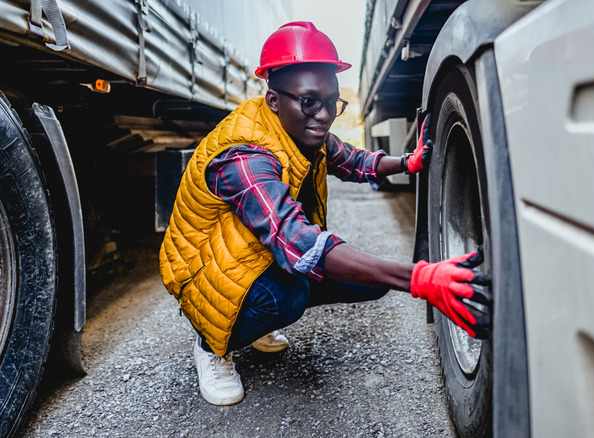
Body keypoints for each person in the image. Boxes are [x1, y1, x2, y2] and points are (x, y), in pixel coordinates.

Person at [158, 21, 489, 406]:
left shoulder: (296, 128)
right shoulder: (243, 154)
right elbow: (293, 238)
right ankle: (211, 344)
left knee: (370, 280)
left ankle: (256, 321)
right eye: (310, 101)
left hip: (250, 255)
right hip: (204, 273)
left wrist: (405, 162)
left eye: (333, 101)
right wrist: (418, 278)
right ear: (273, 100)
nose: (325, 114)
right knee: (287, 297)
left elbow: (349, 158)